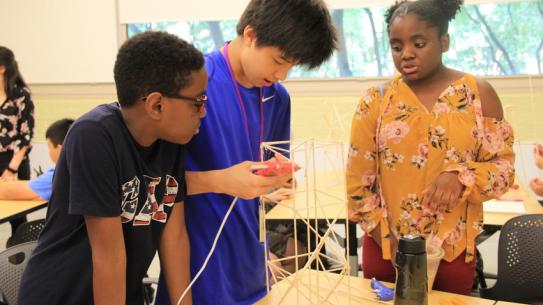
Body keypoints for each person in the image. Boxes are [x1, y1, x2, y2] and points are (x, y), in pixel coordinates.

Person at [156, 1, 338, 304]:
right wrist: (219, 181)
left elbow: (264, 187)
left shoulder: (277, 98)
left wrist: (276, 181)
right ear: (251, 35)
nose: (282, 75)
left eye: (291, 67)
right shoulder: (193, 85)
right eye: (278, 60)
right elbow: (154, 183)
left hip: (252, 268)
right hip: (198, 267)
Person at [19, 31, 207, 305]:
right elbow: (109, 256)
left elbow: (174, 237)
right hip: (61, 295)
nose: (203, 111)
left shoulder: (171, 142)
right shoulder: (94, 135)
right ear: (157, 105)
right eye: (198, 101)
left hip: (120, 292)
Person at [346, 0, 515, 295]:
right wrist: (384, 236)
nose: (407, 54)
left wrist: (461, 175)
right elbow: (358, 184)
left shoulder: (478, 95)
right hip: (386, 252)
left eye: (419, 43)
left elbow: (503, 171)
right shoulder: (377, 101)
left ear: (444, 41)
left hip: (451, 253)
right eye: (397, 46)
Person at [0, 46, 35, 233]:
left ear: (2, 68)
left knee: (17, 218)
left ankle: (20, 258)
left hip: (14, 161)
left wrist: (12, 168)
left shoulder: (21, 95)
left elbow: (26, 135)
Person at [0, 118, 73, 201]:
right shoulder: (83, 167)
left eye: (49, 147)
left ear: (60, 150)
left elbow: (9, 192)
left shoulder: (60, 175)